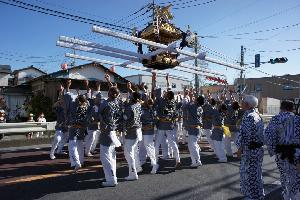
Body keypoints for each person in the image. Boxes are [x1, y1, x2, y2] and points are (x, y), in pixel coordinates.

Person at [264, 100, 300, 199]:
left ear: (281, 108)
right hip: (297, 153)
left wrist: (273, 150)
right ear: (292, 108)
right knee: (296, 175)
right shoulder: (298, 119)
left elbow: (268, 135)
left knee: (284, 174)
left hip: (281, 153)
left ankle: (286, 194)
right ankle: (296, 195)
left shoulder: (276, 119)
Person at [235, 95, 264, 200]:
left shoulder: (248, 116)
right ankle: (259, 195)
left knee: (248, 174)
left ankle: (251, 196)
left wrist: (239, 149)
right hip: (258, 149)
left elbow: (245, 136)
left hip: (250, 150)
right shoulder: (257, 115)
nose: (241, 103)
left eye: (242, 102)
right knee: (257, 173)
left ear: (247, 104)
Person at [98, 74, 122, 187]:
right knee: (112, 156)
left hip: (106, 132)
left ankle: (111, 179)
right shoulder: (117, 102)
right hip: (114, 131)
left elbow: (97, 115)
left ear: (108, 93)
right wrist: (109, 81)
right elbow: (114, 92)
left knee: (105, 157)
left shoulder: (105, 104)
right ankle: (114, 177)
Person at [154, 74, 181, 169]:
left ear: (167, 95)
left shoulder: (162, 101)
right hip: (169, 125)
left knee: (157, 143)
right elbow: (169, 91)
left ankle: (155, 162)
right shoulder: (173, 102)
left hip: (162, 125)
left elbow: (156, 93)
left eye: (166, 93)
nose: (164, 93)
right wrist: (168, 81)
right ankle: (178, 159)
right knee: (172, 143)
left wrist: (155, 78)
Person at [123, 91, 143, 180]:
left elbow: (125, 118)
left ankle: (133, 173)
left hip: (131, 131)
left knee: (128, 153)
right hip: (138, 130)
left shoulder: (129, 107)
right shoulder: (139, 105)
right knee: (134, 151)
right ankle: (138, 167)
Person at [68, 94, 89, 172]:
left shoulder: (75, 106)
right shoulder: (86, 106)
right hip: (82, 128)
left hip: (74, 126)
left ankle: (77, 162)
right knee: (80, 144)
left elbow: (70, 104)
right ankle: (81, 160)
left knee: (72, 145)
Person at [184, 93, 204, 168]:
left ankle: (197, 161)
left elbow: (185, 106)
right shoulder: (200, 108)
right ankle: (195, 161)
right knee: (192, 145)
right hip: (197, 128)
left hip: (193, 128)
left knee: (193, 146)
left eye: (196, 99)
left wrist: (190, 98)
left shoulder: (193, 106)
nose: (195, 100)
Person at [140, 98, 159, 174]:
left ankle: (154, 164)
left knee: (149, 146)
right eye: (149, 103)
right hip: (142, 130)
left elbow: (156, 119)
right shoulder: (141, 108)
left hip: (149, 130)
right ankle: (142, 160)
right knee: (142, 146)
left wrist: (150, 125)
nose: (150, 105)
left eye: (151, 103)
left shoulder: (153, 110)